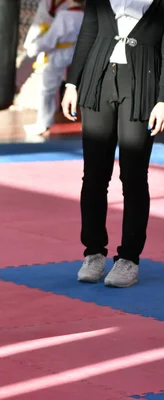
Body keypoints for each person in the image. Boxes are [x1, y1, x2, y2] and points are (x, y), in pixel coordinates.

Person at [62, 0, 164, 288]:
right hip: (98, 80)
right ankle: (93, 253)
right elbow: (87, 32)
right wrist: (72, 84)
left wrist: (163, 100)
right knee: (94, 175)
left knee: (133, 176)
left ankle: (129, 259)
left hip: (143, 85)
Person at [23, 0, 84, 136]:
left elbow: (50, 40)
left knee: (46, 90)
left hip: (58, 55)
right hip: (74, 53)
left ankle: (43, 124)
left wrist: (33, 48)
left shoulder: (64, 16)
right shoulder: (84, 15)